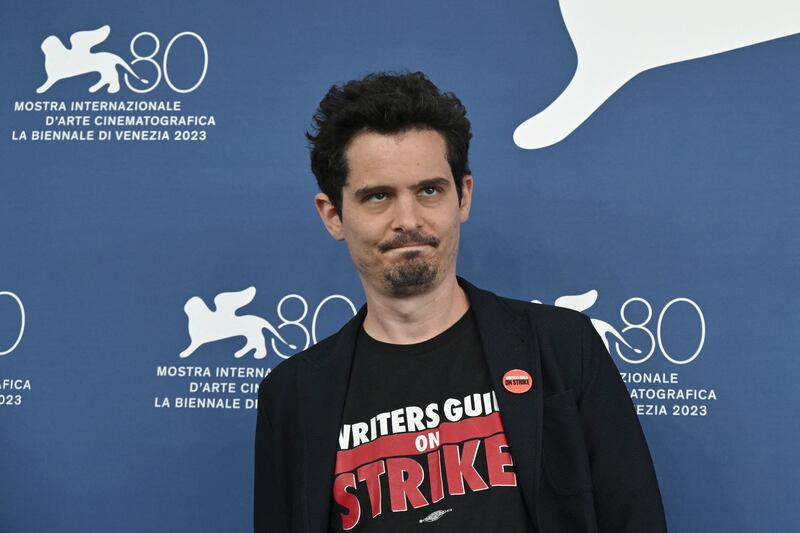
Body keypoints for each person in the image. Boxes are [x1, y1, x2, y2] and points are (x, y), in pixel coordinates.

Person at [254, 71, 667, 532]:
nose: (407, 219)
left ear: (463, 196)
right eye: (378, 197)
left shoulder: (562, 347)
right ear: (333, 215)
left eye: (429, 190)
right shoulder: (292, 395)